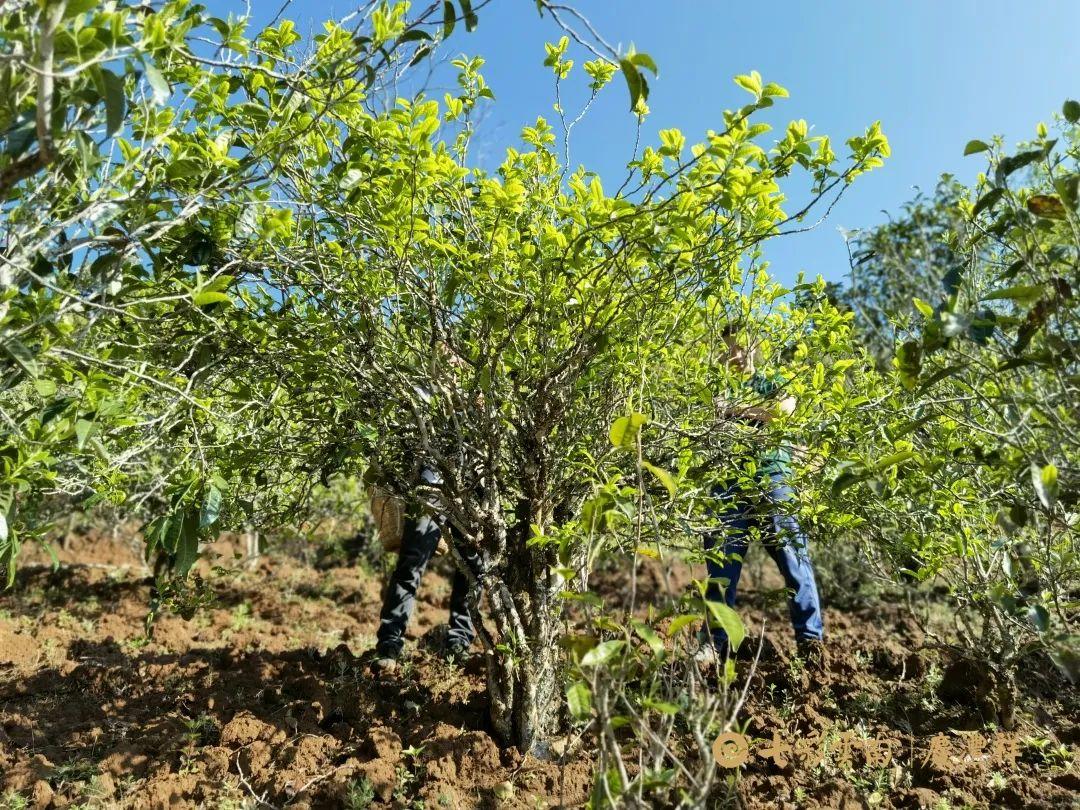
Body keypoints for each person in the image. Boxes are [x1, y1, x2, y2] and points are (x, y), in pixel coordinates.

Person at [699, 324, 825, 667]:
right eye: (729, 349)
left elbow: (782, 410)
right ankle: (714, 642)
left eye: (741, 347)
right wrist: (744, 411)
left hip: (773, 478)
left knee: (794, 562)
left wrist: (734, 410)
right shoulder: (716, 385)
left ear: (755, 347)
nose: (735, 355)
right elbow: (713, 420)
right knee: (721, 567)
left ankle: (810, 641)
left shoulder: (774, 379)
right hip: (728, 481)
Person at [369, 465, 483, 673]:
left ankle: (458, 643)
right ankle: (389, 645)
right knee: (411, 564)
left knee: (472, 568)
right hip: (431, 485)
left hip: (473, 488)